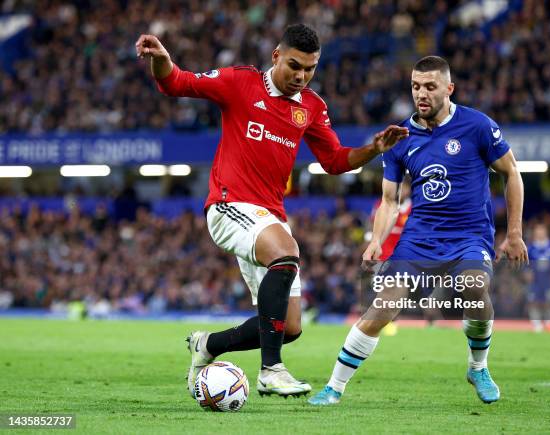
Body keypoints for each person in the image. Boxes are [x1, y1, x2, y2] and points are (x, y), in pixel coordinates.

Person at [135, 24, 408, 398]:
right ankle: (270, 370)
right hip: (229, 205)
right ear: (276, 56)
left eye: (310, 69)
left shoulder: (312, 107)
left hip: (269, 217)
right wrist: (163, 62)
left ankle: (208, 345)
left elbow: (334, 160)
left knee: (289, 326)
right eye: (295, 66)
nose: (301, 76)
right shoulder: (240, 83)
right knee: (287, 252)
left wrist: (373, 148)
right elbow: (177, 83)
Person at [309, 55, 528, 406]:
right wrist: (376, 241)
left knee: (475, 289)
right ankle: (334, 387)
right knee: (382, 307)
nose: (421, 94)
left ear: (449, 88)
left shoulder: (478, 126)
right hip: (419, 240)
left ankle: (478, 367)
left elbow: (512, 173)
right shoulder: (400, 138)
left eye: (430, 86)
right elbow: (390, 201)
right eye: (415, 86)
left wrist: (514, 233)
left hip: (469, 236)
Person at [525, 223, 550, 332]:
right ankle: (537, 324)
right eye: (538, 231)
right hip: (535, 279)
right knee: (533, 301)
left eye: (542, 230)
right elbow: (526, 262)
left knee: (549, 301)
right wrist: (527, 272)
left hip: (548, 278)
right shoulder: (530, 247)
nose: (540, 233)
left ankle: (549, 323)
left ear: (546, 232)